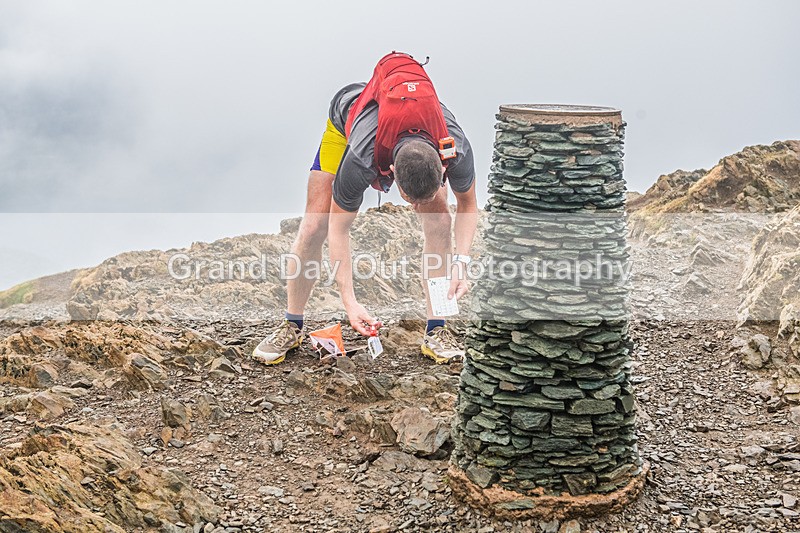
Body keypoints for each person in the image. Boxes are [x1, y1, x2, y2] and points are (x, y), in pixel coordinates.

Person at [253, 51, 478, 365]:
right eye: (411, 200)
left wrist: (462, 263)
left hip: (409, 127)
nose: (413, 207)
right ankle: (293, 323)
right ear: (392, 177)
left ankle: (436, 330)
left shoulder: (456, 147)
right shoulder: (360, 160)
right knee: (315, 224)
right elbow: (338, 228)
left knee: (440, 219)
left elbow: (467, 205)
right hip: (347, 122)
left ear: (443, 170)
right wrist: (350, 301)